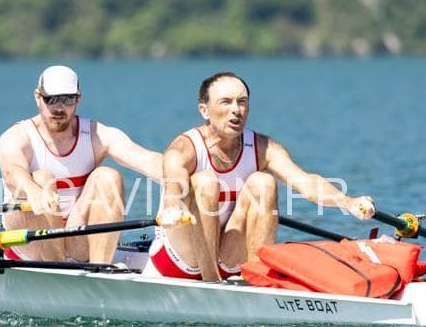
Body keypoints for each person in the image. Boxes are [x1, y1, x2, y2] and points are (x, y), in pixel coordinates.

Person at [145, 71, 376, 281]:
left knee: (263, 182)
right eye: (226, 102)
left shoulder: (263, 148)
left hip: (228, 255)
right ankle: (211, 282)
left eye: (242, 101)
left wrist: (348, 201)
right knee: (206, 182)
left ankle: (257, 278)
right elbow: (174, 186)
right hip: (182, 261)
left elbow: (306, 182)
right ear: (204, 110)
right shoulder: (184, 148)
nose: (236, 110)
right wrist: (173, 207)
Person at [0, 65, 162, 263]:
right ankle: (55, 267)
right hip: (28, 242)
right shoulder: (18, 136)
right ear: (38, 97)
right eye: (51, 99)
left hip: (76, 235)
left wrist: (184, 176)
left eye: (67, 99)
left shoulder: (96, 135)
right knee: (43, 178)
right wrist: (33, 190)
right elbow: (12, 171)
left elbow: (147, 160)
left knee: (108, 176)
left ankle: (100, 269)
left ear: (78, 99)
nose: (59, 108)